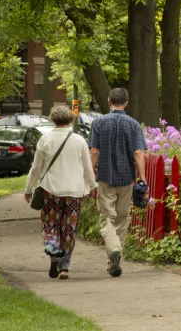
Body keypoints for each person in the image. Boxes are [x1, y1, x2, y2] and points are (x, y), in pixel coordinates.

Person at [24, 105, 97, 280]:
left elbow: (36, 168)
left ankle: (52, 249)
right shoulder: (79, 140)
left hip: (51, 190)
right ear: (71, 120)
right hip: (73, 192)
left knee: (50, 224)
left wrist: (28, 189)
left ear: (52, 120)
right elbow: (88, 168)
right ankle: (64, 266)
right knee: (69, 228)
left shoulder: (45, 140)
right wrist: (93, 187)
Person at [88, 87, 146, 278]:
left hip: (105, 177)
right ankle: (115, 254)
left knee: (107, 218)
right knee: (122, 217)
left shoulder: (98, 123)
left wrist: (88, 177)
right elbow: (138, 153)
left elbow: (94, 152)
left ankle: (114, 250)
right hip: (126, 178)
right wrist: (143, 178)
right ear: (126, 103)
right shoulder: (134, 125)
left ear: (109, 101)